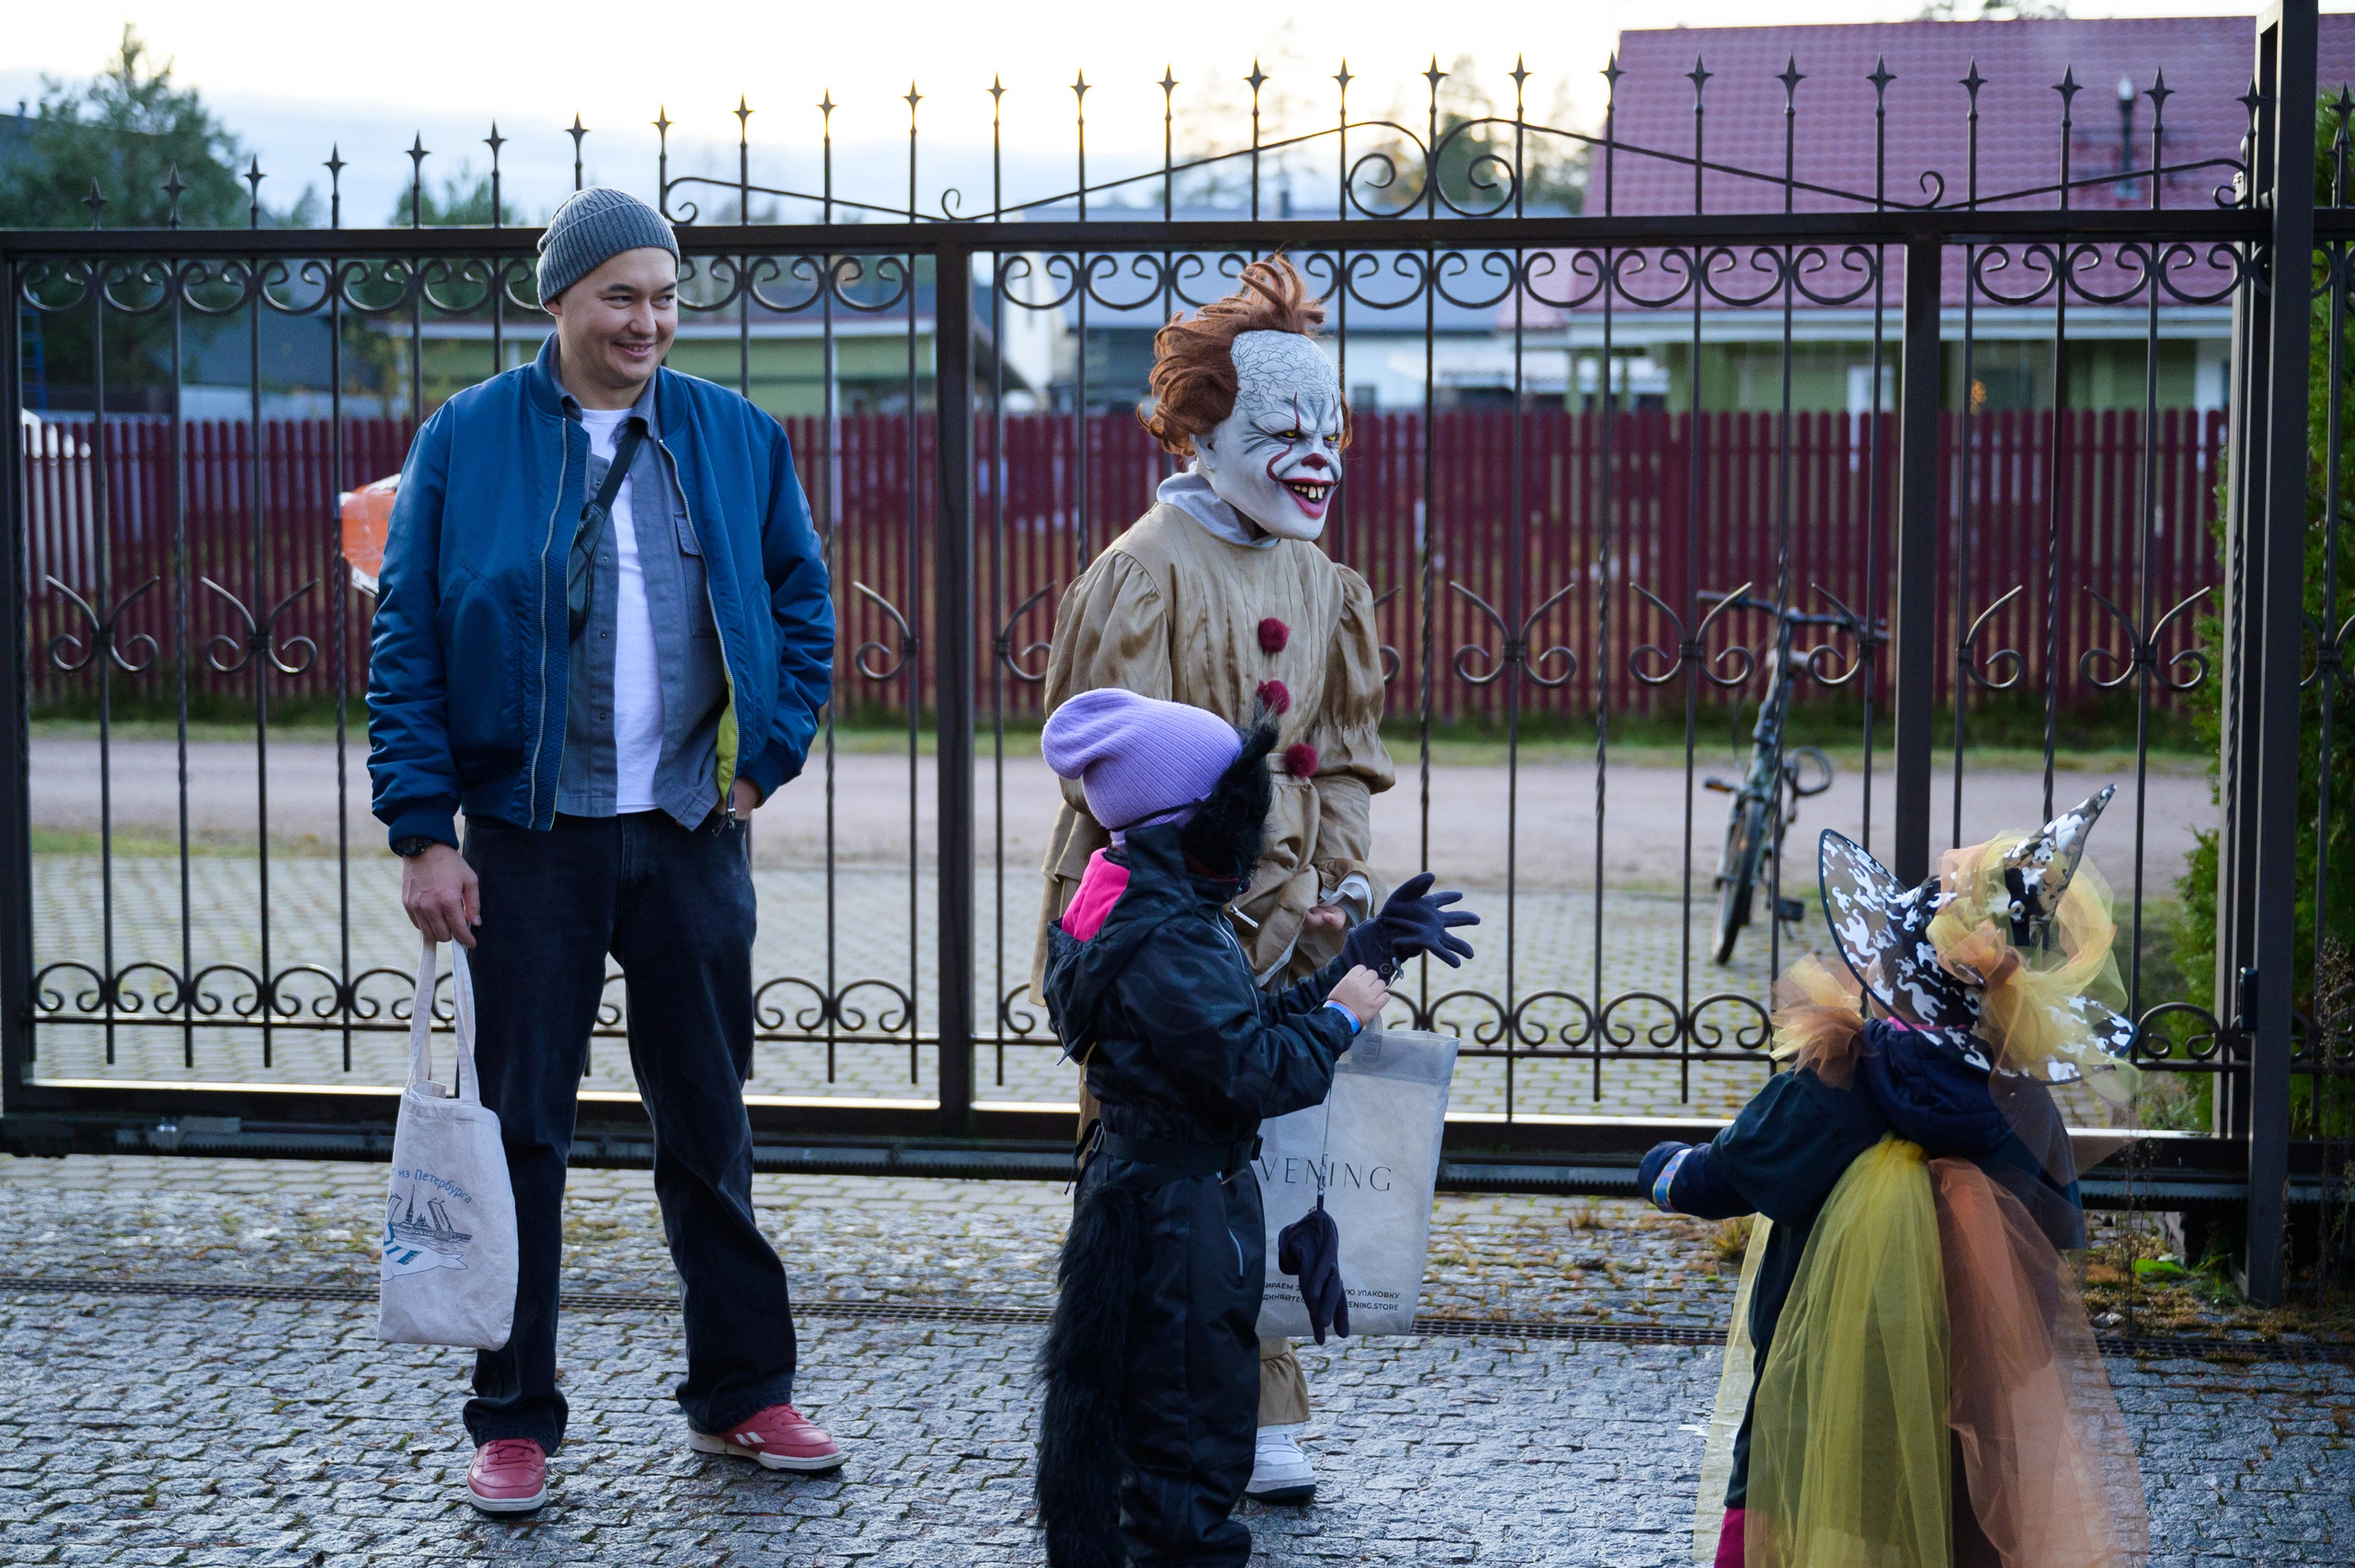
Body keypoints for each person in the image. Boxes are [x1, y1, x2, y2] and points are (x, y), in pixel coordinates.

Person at [367, 186, 837, 1515]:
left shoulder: (735, 434)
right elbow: (407, 639)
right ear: (560, 299)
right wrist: (424, 831)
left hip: (689, 829)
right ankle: (514, 1417)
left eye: (665, 296)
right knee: (521, 1131)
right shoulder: (468, 437)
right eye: (621, 294)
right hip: (529, 841)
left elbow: (803, 608)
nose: (649, 320)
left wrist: (765, 758)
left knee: (710, 1124)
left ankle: (743, 1393)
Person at [1033, 255, 1396, 1503]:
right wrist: (1191, 900)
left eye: (1330, 427)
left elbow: (1341, 751)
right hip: (1163, 930)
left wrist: (1338, 883)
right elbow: (1099, 769)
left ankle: (1259, 1394)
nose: (1317, 456)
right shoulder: (1145, 572)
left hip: (1288, 917)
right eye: (1284, 428)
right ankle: (1143, 1400)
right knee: (1156, 1172)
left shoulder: (1323, 579)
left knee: (1272, 1158)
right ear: (1201, 433)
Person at [1640, 787, 2151, 1568]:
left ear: (1894, 963)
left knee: (1778, 1512)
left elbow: (1729, 1172)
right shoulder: (2023, 1104)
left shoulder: (1838, 1072)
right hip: (1960, 1415)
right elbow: (2050, 1255)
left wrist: (1665, 1170)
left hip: (1812, 1402)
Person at [1031, 688, 1474, 1568]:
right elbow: (1251, 1070)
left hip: (1159, 1199)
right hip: (1176, 1219)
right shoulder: (1165, 935)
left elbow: (1232, 1028)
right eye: (1239, 806)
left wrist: (1359, 962)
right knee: (1187, 1445)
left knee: (1172, 1432)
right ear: (1190, 820)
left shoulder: (1148, 906)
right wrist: (1341, 1017)